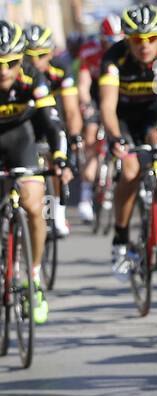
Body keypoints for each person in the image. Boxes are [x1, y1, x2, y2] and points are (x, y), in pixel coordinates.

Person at [0, 21, 69, 325]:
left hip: (22, 141)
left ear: (21, 60)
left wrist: (60, 156)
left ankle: (34, 277)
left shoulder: (33, 78)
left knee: (32, 204)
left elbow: (52, 121)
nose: (4, 70)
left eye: (11, 63)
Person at [99, 3, 157, 278]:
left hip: (152, 116)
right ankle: (120, 237)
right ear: (127, 39)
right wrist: (115, 138)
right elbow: (107, 106)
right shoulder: (113, 60)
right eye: (137, 40)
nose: (145, 46)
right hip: (123, 117)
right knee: (130, 170)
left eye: (152, 38)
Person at [24, 24, 77, 237]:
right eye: (30, 56)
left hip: (52, 120)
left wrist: (74, 138)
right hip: (26, 123)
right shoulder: (19, 73)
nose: (36, 61)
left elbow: (72, 110)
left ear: (52, 53)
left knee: (59, 161)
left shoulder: (61, 69)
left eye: (42, 55)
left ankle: (59, 213)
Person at [73, 15, 120, 223]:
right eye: (109, 42)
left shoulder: (125, 52)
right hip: (94, 94)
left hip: (116, 94)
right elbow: (83, 84)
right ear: (101, 39)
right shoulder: (89, 51)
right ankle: (85, 196)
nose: (113, 46)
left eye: (118, 41)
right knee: (91, 137)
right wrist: (87, 105)